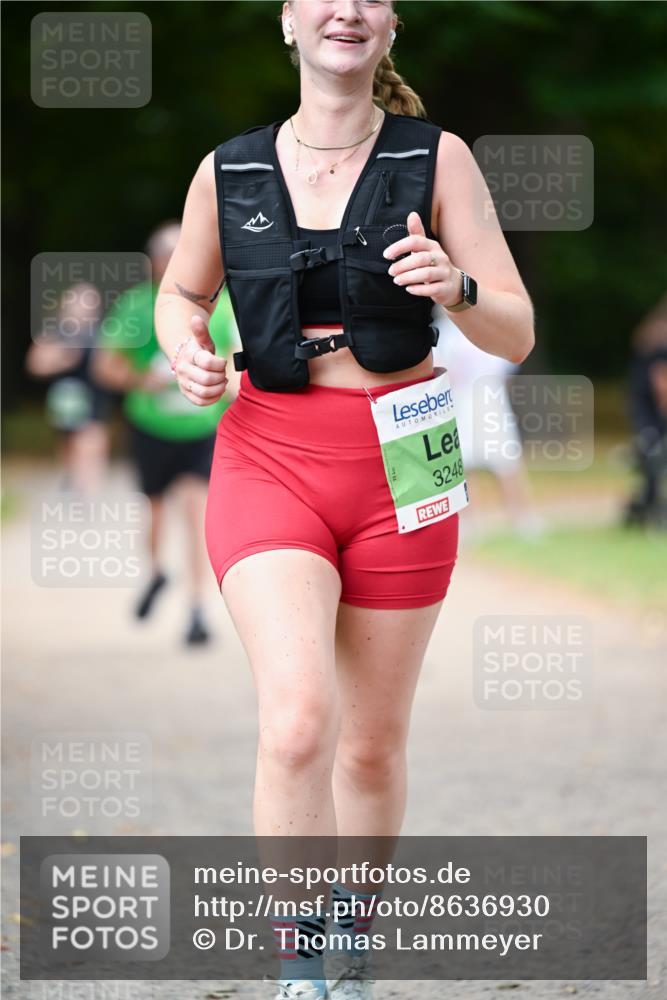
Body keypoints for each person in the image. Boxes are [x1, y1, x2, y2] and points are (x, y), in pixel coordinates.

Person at [154, 2, 534, 996]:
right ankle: (301, 958)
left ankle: (350, 938)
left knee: (369, 746)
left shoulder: (436, 158)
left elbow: (516, 331)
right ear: (289, 20)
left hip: (405, 462)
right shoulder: (227, 168)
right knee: (296, 722)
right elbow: (181, 295)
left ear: (390, 25)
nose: (347, 10)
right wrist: (184, 350)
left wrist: (454, 288)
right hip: (269, 453)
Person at [94, 221, 240, 645]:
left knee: (198, 513)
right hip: (151, 425)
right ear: (155, 262)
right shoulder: (137, 306)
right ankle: (157, 571)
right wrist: (144, 381)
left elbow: (234, 360)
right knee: (155, 512)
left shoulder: (225, 305)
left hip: (201, 426)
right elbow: (106, 367)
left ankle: (197, 610)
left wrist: (225, 384)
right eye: (165, 254)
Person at [432, 305, 544, 540]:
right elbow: (441, 370)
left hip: (491, 400)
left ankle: (522, 517)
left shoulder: (487, 331)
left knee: (507, 461)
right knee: (463, 464)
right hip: (461, 402)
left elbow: (506, 370)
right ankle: (468, 523)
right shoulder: (444, 332)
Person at [25, 282, 113, 495]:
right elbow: (34, 363)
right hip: (66, 401)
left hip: (95, 397)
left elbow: (113, 366)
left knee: (91, 441)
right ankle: (74, 479)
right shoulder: (56, 331)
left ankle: (88, 492)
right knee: (69, 445)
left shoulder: (104, 332)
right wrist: (61, 359)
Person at [624, 292, 667, 528]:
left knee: (652, 458)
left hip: (643, 410)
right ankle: (648, 510)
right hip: (652, 412)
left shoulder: (652, 332)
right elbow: (662, 385)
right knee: (654, 457)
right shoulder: (660, 338)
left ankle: (646, 507)